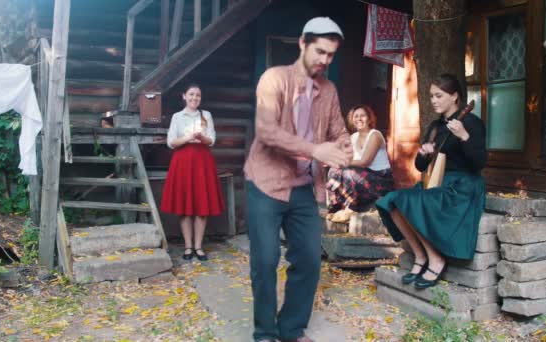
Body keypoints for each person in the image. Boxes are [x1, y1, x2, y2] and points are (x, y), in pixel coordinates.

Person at [243, 17, 352, 342]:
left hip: (303, 186)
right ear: (303, 43)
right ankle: (265, 333)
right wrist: (317, 150)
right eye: (320, 51)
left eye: (331, 55)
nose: (325, 60)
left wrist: (344, 146)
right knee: (265, 261)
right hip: (265, 183)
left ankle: (291, 330)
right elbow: (266, 131)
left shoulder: (329, 89)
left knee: (307, 260)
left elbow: (337, 129)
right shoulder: (273, 79)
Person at [376, 73, 487, 289]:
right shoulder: (436, 127)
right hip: (439, 184)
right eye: (431, 96)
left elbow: (479, 164)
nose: (434, 100)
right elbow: (420, 167)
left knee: (410, 201)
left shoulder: (472, 123)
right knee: (390, 201)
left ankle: (436, 258)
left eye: (438, 96)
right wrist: (424, 154)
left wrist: (465, 137)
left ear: (455, 96)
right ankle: (421, 256)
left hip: (464, 187)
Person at [161, 84, 225, 261]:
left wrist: (203, 138)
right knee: (185, 207)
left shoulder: (206, 115)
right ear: (184, 96)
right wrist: (189, 137)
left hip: (202, 161)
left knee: (201, 207)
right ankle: (188, 246)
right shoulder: (177, 117)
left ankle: (198, 246)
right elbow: (171, 142)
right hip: (182, 161)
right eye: (191, 94)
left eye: (198, 95)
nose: (194, 98)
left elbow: (211, 140)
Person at [326, 105, 394, 223]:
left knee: (349, 172)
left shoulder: (375, 135)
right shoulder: (353, 137)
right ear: (352, 120)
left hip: (380, 180)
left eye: (362, 116)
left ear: (369, 119)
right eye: (356, 116)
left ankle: (352, 208)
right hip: (362, 177)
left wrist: (343, 163)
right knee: (333, 171)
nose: (359, 119)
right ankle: (336, 207)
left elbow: (364, 162)